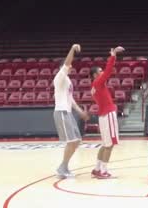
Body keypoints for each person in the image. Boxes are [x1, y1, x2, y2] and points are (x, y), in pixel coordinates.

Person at [53, 44, 89, 178]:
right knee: (72, 141)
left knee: (77, 140)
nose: (71, 67)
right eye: (68, 66)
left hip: (67, 112)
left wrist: (80, 112)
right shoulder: (60, 77)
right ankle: (62, 168)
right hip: (61, 112)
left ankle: (64, 167)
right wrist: (73, 49)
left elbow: (71, 99)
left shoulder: (67, 80)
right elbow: (68, 63)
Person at [90, 46, 124, 179]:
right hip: (108, 114)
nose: (102, 71)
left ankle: (97, 168)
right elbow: (109, 71)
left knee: (105, 144)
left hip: (102, 116)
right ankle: (103, 171)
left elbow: (106, 72)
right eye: (100, 71)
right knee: (110, 145)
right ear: (95, 75)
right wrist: (113, 55)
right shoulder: (98, 81)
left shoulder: (93, 85)